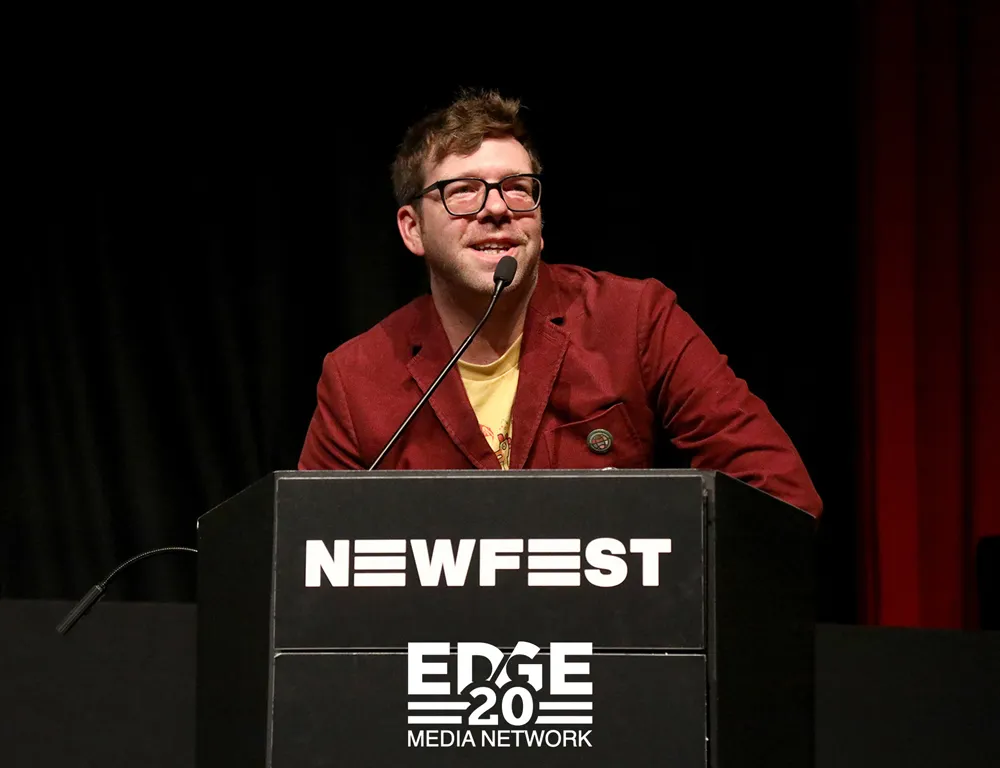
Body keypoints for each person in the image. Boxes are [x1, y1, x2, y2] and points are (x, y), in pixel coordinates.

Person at [298, 89, 823, 518]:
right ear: (412, 228)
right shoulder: (356, 378)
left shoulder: (634, 319)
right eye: (463, 191)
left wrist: (665, 576)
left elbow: (780, 494)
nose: (497, 209)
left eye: (517, 188)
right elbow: (306, 553)